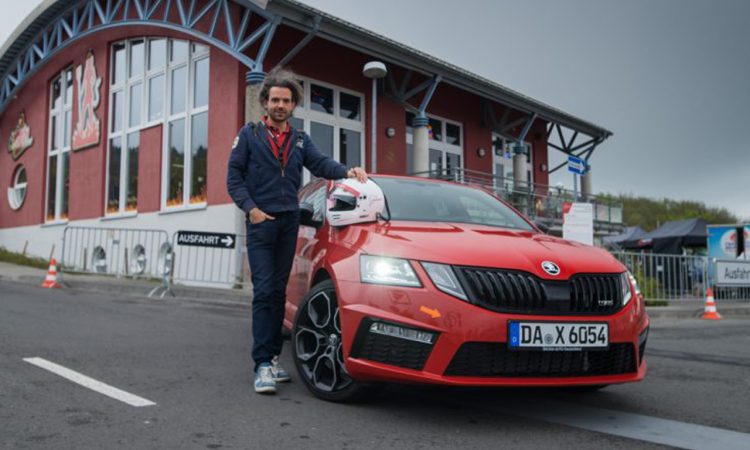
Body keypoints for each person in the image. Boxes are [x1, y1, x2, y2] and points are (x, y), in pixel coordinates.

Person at [226, 68, 367, 394]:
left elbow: (321, 165)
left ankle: (272, 360)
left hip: (290, 221)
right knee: (263, 292)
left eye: (286, 101)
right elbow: (233, 177)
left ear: (292, 105)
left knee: (278, 292)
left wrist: (348, 171)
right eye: (275, 99)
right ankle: (261, 364)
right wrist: (252, 210)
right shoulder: (248, 135)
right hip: (261, 223)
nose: (280, 105)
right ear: (266, 102)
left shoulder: (300, 139)